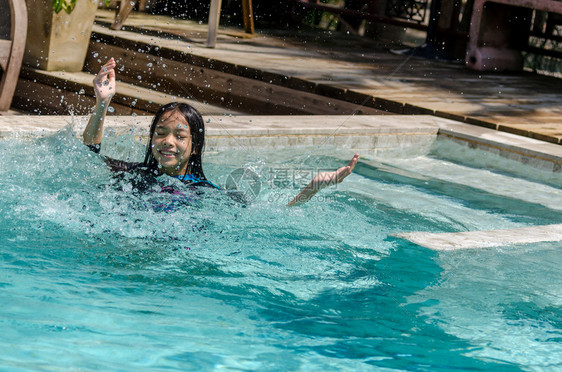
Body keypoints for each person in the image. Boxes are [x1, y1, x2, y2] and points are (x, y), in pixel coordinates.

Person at [83, 58, 359, 206]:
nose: (167, 142)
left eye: (180, 136)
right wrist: (102, 104)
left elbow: (271, 221)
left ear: (195, 146)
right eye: (160, 132)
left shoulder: (208, 193)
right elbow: (85, 156)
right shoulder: (131, 175)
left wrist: (313, 188)